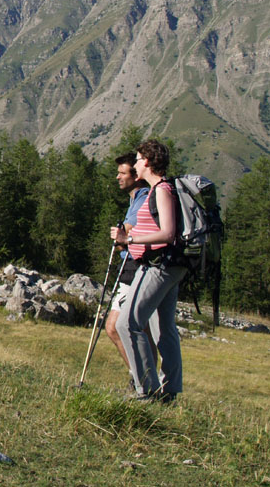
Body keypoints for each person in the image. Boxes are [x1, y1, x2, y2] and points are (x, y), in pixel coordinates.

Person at [112, 139, 185, 402]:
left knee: (127, 323)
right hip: (167, 265)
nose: (136, 162)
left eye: (140, 159)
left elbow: (167, 233)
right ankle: (169, 392)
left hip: (159, 265)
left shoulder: (162, 190)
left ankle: (146, 390)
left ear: (149, 162)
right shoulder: (160, 189)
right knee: (163, 328)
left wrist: (129, 240)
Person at [105, 153, 151, 378]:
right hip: (134, 265)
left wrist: (122, 238)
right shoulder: (137, 198)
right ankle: (146, 378)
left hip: (134, 267)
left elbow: (129, 232)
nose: (118, 177)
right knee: (140, 329)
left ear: (136, 176)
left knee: (115, 327)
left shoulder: (142, 199)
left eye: (122, 173)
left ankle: (141, 378)